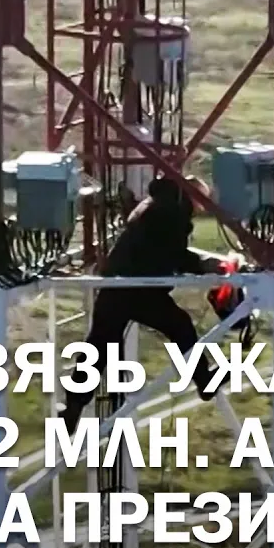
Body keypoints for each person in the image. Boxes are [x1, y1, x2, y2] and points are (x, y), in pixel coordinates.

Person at [57, 174, 224, 434]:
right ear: (191, 196)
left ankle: (73, 407)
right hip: (138, 287)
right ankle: (204, 380)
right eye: (201, 201)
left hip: (116, 283)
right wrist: (202, 265)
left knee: (99, 346)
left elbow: (157, 248)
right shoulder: (173, 213)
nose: (201, 208)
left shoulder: (155, 204)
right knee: (180, 325)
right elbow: (172, 254)